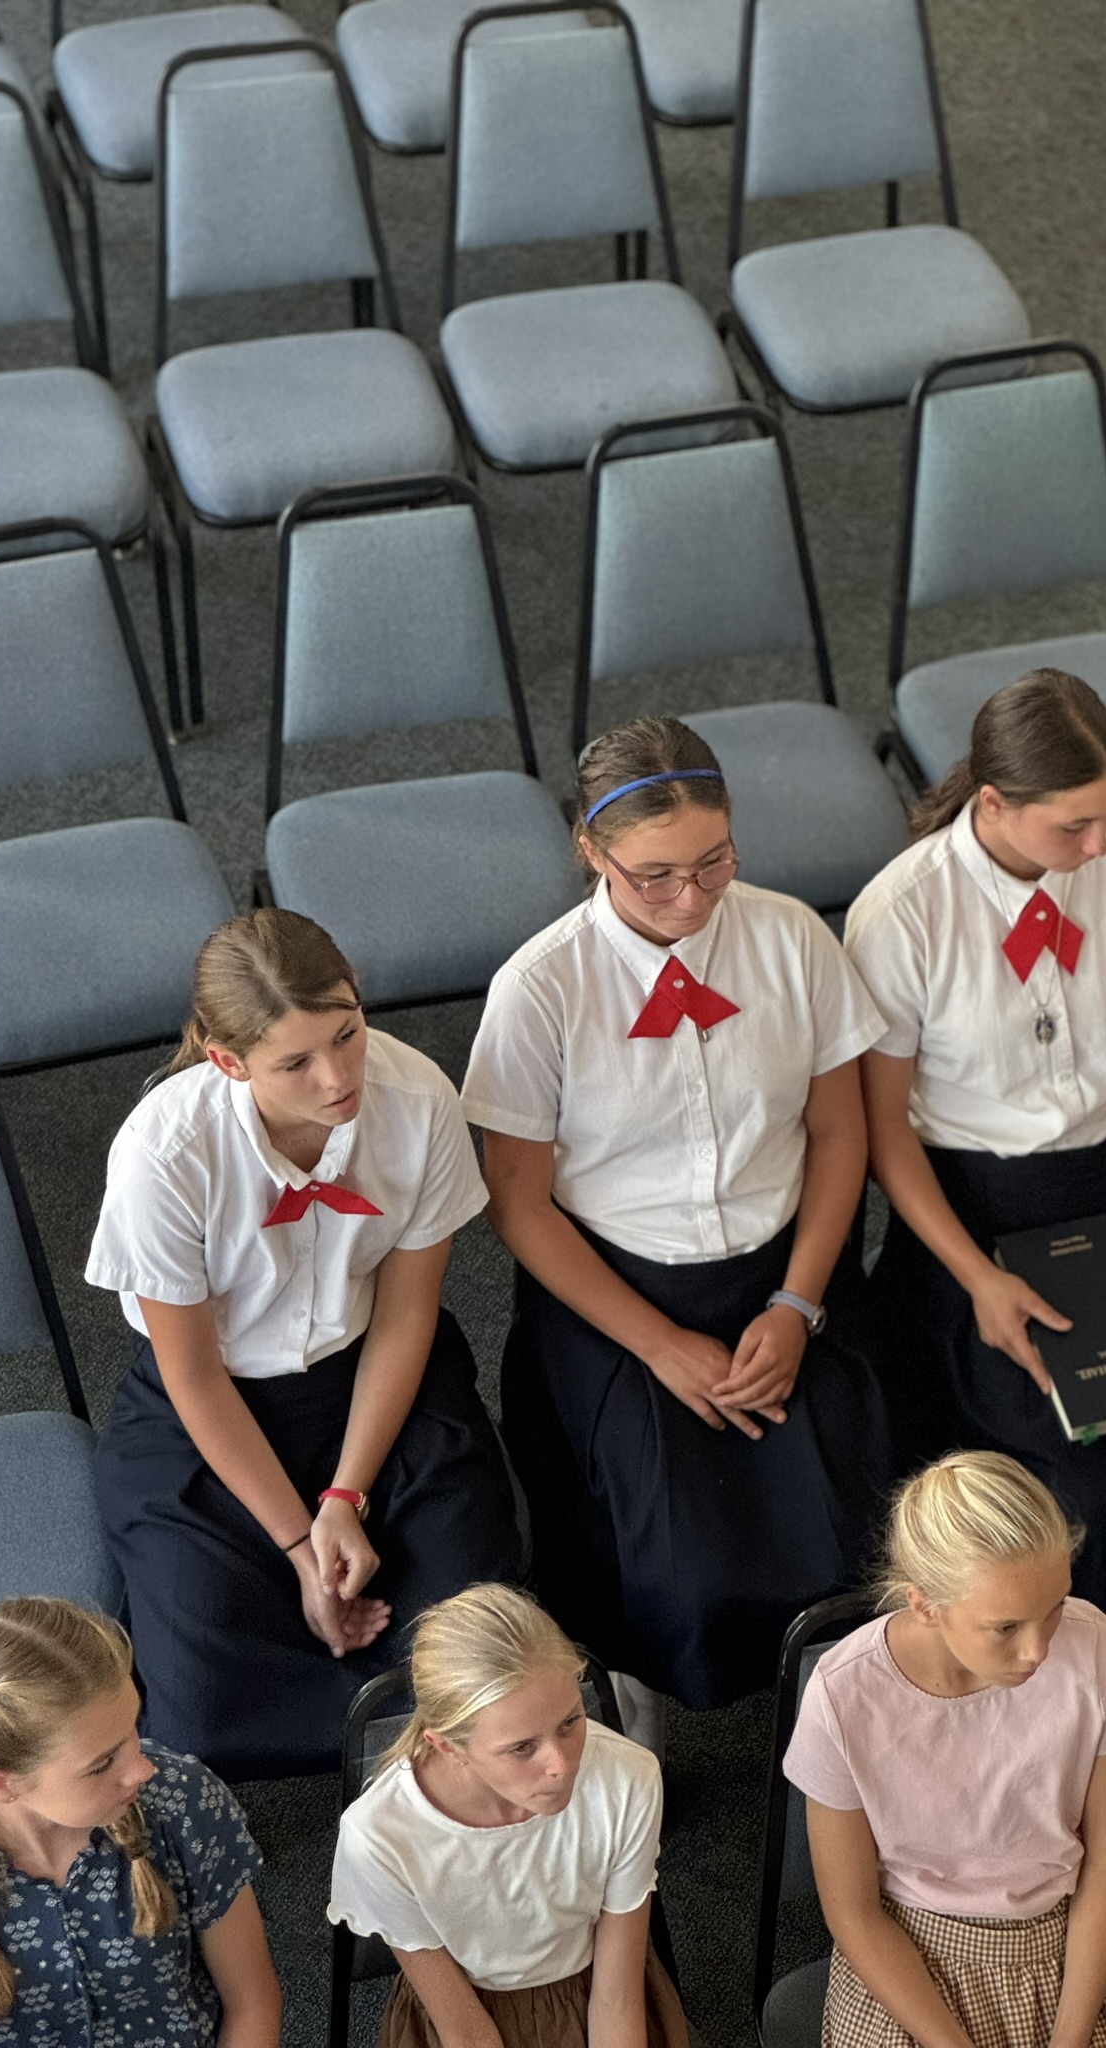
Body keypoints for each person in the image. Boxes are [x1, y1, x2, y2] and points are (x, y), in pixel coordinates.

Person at [459, 716, 892, 1742]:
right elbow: (520, 1203)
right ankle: (633, 1674)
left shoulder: (791, 938)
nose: (692, 900)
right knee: (670, 1557)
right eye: (654, 876)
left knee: (847, 1522)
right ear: (591, 852)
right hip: (618, 1292)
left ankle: (847, 1702)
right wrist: (659, 1344)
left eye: (714, 862)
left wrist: (797, 1304)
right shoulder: (541, 988)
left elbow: (839, 1133)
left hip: (784, 1269)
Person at [845, 669, 1106, 1611]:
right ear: (994, 802)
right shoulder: (904, 913)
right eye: (1074, 826)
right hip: (973, 1211)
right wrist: (978, 1279)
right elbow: (884, 1132)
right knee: (1072, 1476)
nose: (1100, 846)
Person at [86, 908, 522, 1780]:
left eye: (348, 1034)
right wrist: (300, 1547)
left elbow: (406, 1316)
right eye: (296, 1063)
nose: (338, 1077)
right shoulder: (164, 1152)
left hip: (377, 1381)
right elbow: (192, 1374)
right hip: (213, 1407)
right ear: (228, 1062)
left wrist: (345, 1498)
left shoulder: (418, 1097)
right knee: (202, 1694)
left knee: (467, 1635)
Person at [785, 1450, 1106, 2048]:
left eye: (1055, 1608)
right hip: (915, 1955)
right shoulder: (843, 1698)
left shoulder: (1097, 1649)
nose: (1038, 1650)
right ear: (924, 1604)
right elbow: (855, 1914)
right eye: (1006, 1627)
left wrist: (1071, 2038)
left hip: (1074, 1933)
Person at [329, 1582, 690, 2048]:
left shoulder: (628, 1779)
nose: (561, 1766)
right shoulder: (380, 1837)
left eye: (570, 1721)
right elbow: (465, 2031)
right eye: (522, 1748)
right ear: (447, 1746)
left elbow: (617, 1998)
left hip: (595, 1988)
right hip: (469, 2013)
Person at [0, 1596, 279, 2048]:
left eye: (134, 1726)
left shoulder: (183, 1800)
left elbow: (252, 2003)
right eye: (101, 1764)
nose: (143, 1768)